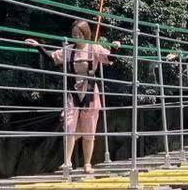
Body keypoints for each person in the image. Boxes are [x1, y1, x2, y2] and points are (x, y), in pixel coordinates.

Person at [24, 21, 120, 174]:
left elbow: (110, 59)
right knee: (69, 125)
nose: (76, 37)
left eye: (79, 34)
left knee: (89, 130)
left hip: (89, 93)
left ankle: (87, 164)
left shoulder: (94, 48)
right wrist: (38, 46)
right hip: (73, 91)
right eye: (74, 34)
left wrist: (115, 48)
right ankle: (67, 161)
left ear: (86, 34)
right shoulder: (68, 50)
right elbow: (52, 57)